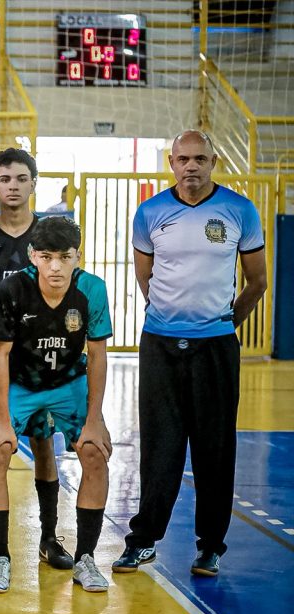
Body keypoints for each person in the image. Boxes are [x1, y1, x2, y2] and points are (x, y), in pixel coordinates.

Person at [113, 130, 267, 578]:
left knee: (214, 448)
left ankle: (210, 547)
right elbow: (146, 278)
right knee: (159, 445)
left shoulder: (240, 210)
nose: (191, 166)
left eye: (200, 158)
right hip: (160, 345)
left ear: (214, 162)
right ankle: (143, 541)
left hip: (216, 346)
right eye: (183, 159)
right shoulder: (150, 212)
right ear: (172, 163)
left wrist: (224, 323)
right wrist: (170, 315)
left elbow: (257, 281)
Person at [0, 217, 114, 593]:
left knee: (94, 452)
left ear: (77, 257)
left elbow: (97, 355)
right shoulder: (12, 289)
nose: (55, 266)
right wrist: (2, 420)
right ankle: (0, 557)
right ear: (32, 256)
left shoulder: (92, 290)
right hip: (21, 383)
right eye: (47, 257)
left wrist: (94, 419)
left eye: (64, 257)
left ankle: (85, 559)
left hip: (68, 382)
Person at [0, 148, 73, 572]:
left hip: (41, 362)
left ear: (34, 184)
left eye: (21, 179)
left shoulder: (49, 235)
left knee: (44, 446)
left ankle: (49, 536)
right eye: (5, 179)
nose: (13, 186)